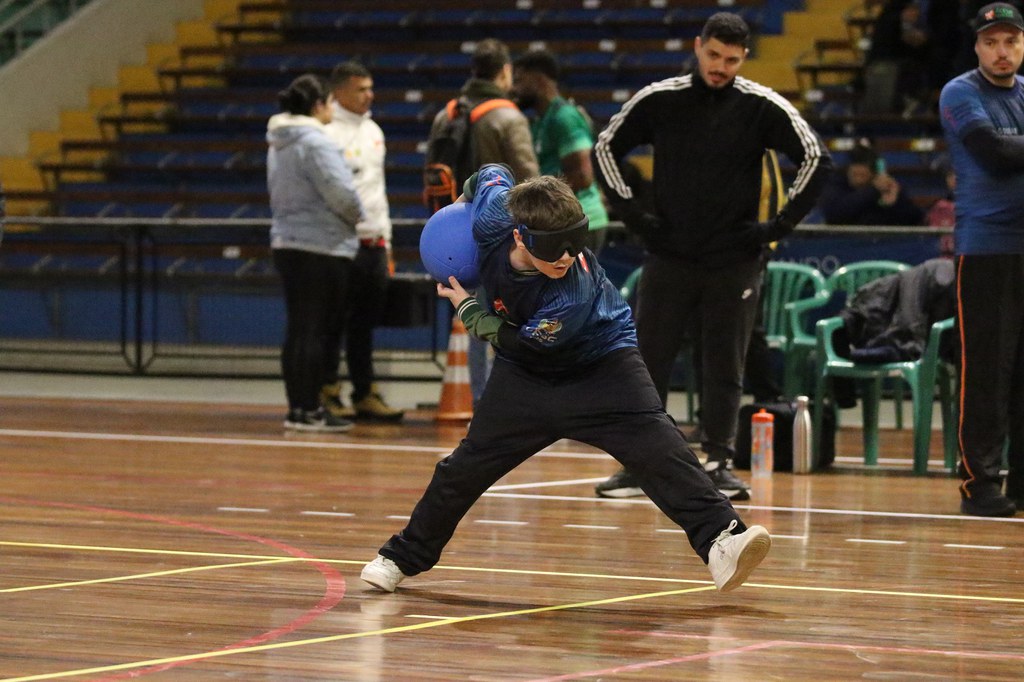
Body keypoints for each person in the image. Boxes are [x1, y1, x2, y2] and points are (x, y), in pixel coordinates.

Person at [359, 164, 771, 593]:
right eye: (554, 251)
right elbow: (489, 173)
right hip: (525, 381)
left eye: (575, 248)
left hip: (602, 366)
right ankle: (399, 557)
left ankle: (723, 541)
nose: (566, 259)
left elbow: (521, 342)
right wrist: (460, 210)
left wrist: (467, 309)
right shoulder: (495, 214)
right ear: (518, 235)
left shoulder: (569, 291)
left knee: (662, 451)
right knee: (462, 470)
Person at [591, 13, 832, 500]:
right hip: (669, 254)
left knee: (725, 362)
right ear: (698, 47)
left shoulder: (760, 105)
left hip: (735, 258)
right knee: (647, 360)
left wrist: (776, 228)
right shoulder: (660, 97)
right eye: (714, 56)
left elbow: (816, 157)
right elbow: (604, 148)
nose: (721, 67)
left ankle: (719, 460)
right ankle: (641, 463)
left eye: (732, 59)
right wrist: (637, 218)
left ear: (743, 58)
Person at [939, 2, 1024, 516]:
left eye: (1011, 41)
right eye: (991, 42)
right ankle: (980, 484)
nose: (1001, 51)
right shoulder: (960, 92)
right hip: (986, 248)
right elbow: (993, 155)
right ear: (977, 47)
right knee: (987, 371)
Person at [427, 38, 540, 407]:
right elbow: (530, 181)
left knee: (471, 315)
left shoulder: (447, 114)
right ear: (504, 71)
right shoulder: (507, 116)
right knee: (512, 317)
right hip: (502, 237)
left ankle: (482, 402)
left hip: (451, 235)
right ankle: (514, 401)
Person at [267, 74, 363, 432]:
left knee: (298, 329)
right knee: (316, 330)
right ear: (318, 105)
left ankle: (298, 408)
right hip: (321, 246)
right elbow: (340, 193)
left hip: (288, 242)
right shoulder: (316, 143)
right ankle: (310, 409)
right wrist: (358, 217)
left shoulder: (280, 142)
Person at [321, 61, 403, 422]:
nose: (370, 95)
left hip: (374, 242)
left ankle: (364, 392)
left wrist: (386, 239)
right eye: (361, 89)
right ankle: (326, 390)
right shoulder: (325, 132)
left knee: (364, 322)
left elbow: (377, 192)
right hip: (341, 243)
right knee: (332, 320)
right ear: (338, 91)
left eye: (371, 88)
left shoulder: (373, 130)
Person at [512, 48, 610, 253]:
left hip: (579, 219)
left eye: (520, 81)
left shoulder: (564, 117)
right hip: (561, 218)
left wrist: (539, 200)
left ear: (539, 81)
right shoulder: (541, 120)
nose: (515, 89)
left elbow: (582, 176)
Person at [818, 140, 925, 226]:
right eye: (855, 165)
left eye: (863, 166)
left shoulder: (886, 187)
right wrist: (873, 190)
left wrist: (895, 204)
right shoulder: (836, 185)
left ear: (873, 172)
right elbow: (834, 214)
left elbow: (915, 218)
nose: (858, 170)